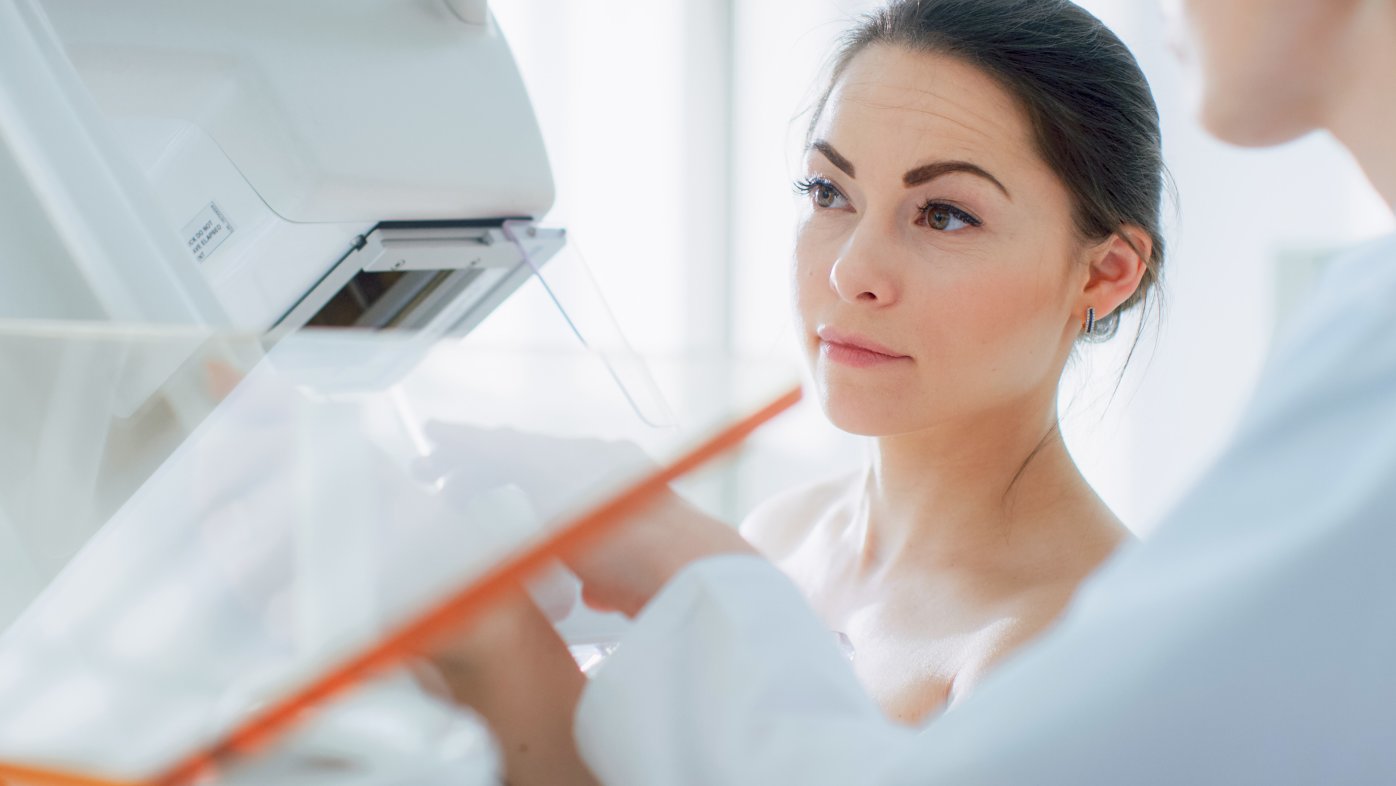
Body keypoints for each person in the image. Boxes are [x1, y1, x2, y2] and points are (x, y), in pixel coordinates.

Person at [433, 0, 1396, 782]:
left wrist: (680, 558)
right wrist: (482, 632)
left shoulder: (1059, 639)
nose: (853, 269)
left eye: (944, 214)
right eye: (827, 192)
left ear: (1105, 274)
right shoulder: (783, 530)